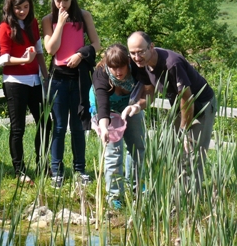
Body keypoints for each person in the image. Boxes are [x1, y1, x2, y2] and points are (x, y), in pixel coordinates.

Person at [127, 31, 216, 189]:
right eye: (132, 53)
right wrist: (137, 105)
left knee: (191, 155)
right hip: (179, 106)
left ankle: (190, 204)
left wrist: (183, 131)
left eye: (140, 52)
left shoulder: (171, 63)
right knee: (170, 149)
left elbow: (187, 99)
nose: (136, 57)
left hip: (201, 105)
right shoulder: (141, 64)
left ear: (151, 47)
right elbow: (150, 92)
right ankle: (175, 196)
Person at [42, 0, 100, 188]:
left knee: (77, 126)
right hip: (58, 77)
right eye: (57, 1)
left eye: (65, 0)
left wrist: (81, 54)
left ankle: (80, 169)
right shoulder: (48, 20)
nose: (61, 5)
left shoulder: (84, 16)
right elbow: (51, 49)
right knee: (58, 126)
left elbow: (96, 44)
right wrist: (61, 23)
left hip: (78, 77)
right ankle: (56, 170)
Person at [0, 0, 49, 185]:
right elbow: (2, 60)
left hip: (35, 80)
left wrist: (45, 75)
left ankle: (42, 164)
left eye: (26, 7)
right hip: (15, 83)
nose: (22, 11)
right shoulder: (4, 27)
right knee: (18, 128)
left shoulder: (32, 23)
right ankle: (19, 169)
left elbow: (39, 51)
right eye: (18, 8)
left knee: (45, 123)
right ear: (10, 7)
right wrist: (23, 60)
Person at [91, 44, 151, 209]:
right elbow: (102, 106)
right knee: (113, 153)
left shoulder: (138, 69)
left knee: (137, 147)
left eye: (122, 67)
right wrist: (104, 128)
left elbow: (149, 92)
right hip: (107, 110)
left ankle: (137, 186)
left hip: (131, 105)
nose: (118, 71)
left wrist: (137, 107)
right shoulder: (101, 75)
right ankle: (115, 196)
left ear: (128, 62)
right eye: (114, 67)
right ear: (107, 65)